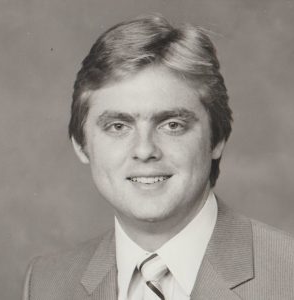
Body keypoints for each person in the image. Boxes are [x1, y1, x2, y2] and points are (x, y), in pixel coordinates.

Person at [22, 14, 294, 300]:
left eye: (172, 125)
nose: (144, 150)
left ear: (217, 139)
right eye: (118, 126)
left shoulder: (286, 275)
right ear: (81, 144)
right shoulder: (46, 283)